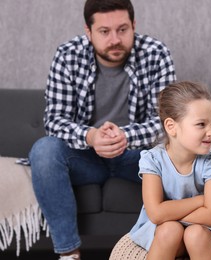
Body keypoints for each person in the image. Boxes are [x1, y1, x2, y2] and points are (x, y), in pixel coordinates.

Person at [28, 0, 176, 259]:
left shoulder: (156, 53)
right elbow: (54, 120)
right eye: (105, 32)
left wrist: (126, 135)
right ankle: (69, 255)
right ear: (89, 32)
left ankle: (171, 248)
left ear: (134, 25)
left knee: (178, 157)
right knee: (44, 150)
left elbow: (167, 121)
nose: (115, 39)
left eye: (122, 30)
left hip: (137, 157)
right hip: (85, 158)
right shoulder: (67, 55)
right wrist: (91, 136)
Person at [129, 81, 211, 260]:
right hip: (166, 228)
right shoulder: (152, 159)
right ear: (171, 126)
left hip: (207, 229)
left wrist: (169, 212)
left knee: (194, 234)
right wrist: (200, 201)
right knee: (169, 230)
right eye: (201, 124)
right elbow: (156, 214)